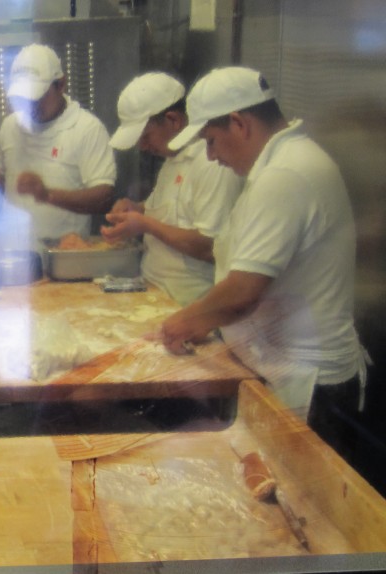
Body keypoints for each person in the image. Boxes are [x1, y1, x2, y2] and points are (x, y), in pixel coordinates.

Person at [159, 67, 366, 459]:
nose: (211, 155)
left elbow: (243, 293)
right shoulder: (280, 164)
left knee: (307, 510)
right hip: (291, 372)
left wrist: (184, 322)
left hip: (312, 384)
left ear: (239, 123)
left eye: (212, 140)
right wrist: (209, 321)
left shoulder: (284, 175)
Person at [102, 72, 243, 306]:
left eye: (146, 136)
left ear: (174, 120)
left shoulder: (213, 163)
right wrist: (135, 209)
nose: (143, 147)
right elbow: (171, 213)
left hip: (190, 304)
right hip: (156, 297)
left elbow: (211, 248)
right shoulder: (172, 160)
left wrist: (145, 223)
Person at [0, 43, 116, 250]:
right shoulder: (10, 126)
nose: (30, 106)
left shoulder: (86, 128)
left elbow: (104, 198)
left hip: (61, 259)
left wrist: (48, 194)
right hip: (11, 257)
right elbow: (4, 184)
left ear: (61, 85)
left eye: (37, 97)